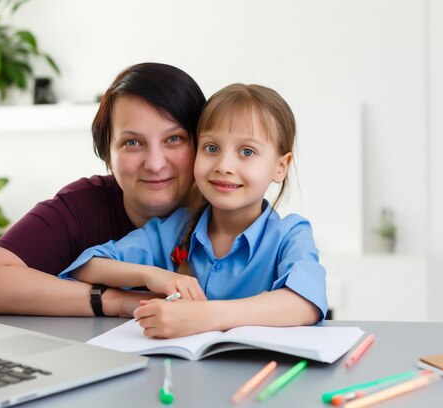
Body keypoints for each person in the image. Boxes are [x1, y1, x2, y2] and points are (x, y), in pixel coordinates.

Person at [59, 84, 328, 338]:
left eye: (246, 151)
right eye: (211, 148)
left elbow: (305, 303)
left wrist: (205, 315)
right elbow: (87, 266)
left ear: (281, 166)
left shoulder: (289, 233)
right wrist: (151, 275)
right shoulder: (173, 229)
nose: (224, 165)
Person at [0, 63, 207, 317]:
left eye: (173, 139)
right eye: (132, 143)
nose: (155, 164)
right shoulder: (82, 206)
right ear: (107, 156)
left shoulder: (231, 208)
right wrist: (118, 301)